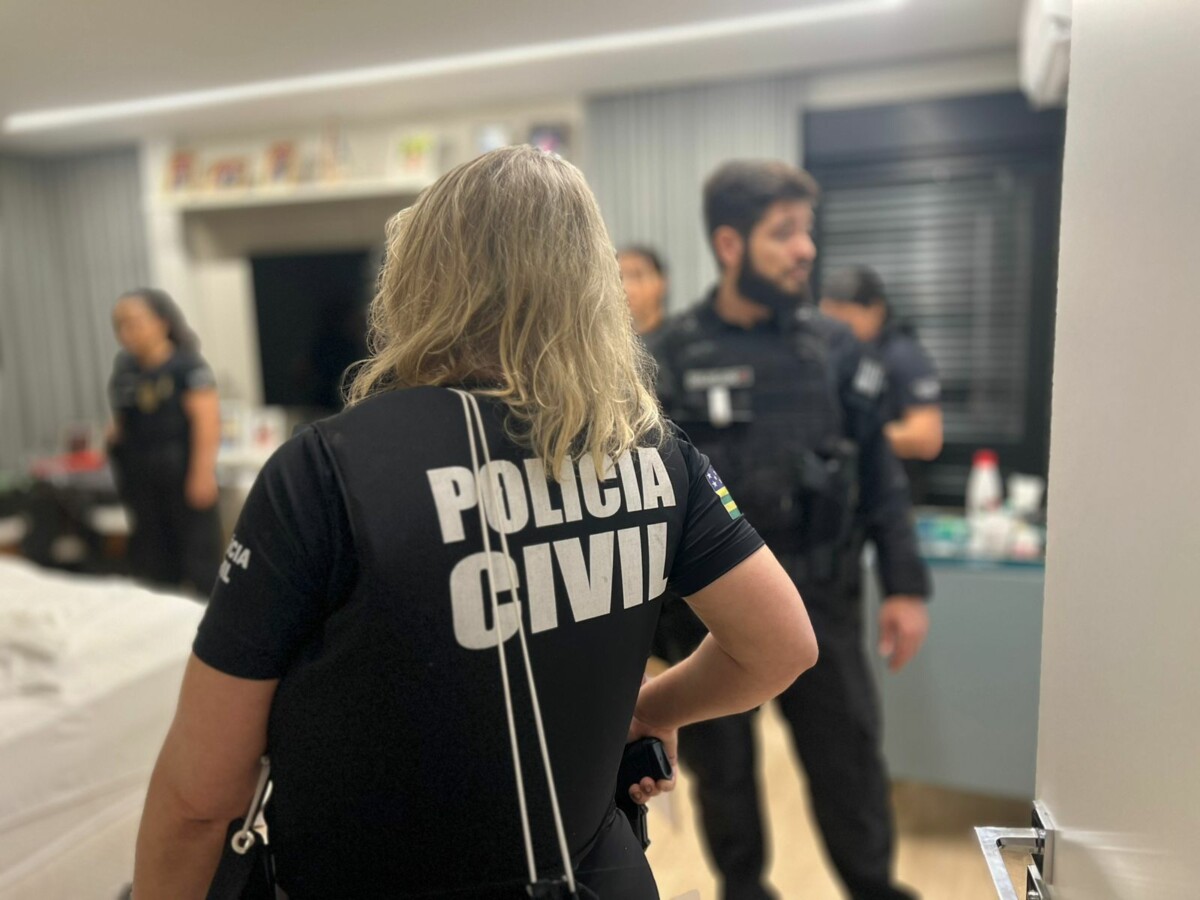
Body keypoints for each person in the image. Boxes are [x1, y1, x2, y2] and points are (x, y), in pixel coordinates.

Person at [132, 146, 819, 900]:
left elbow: (201, 801)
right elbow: (780, 646)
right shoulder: (654, 453)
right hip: (599, 877)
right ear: (591, 284)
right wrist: (654, 706)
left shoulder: (326, 470)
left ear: (418, 279)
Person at [650, 160, 931, 900]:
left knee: (849, 761)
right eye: (784, 233)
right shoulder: (668, 357)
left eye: (806, 230)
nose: (806, 249)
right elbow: (645, 498)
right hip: (706, 612)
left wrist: (904, 586)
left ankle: (871, 887)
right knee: (724, 775)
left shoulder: (837, 349)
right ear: (730, 244)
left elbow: (881, 477)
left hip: (822, 596)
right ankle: (743, 888)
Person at [107, 289, 222, 594]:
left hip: (182, 472)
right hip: (142, 478)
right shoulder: (125, 369)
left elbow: (207, 423)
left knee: (199, 561)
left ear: (161, 322)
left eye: (134, 322)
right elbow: (122, 421)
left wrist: (202, 474)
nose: (126, 331)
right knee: (153, 563)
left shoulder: (187, 367)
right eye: (119, 324)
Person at [820, 266, 943, 461]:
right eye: (828, 319)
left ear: (876, 311)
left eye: (845, 318)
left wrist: (860, 435)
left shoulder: (901, 355)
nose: (835, 329)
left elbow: (926, 439)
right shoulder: (823, 354)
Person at [618, 245, 668, 339]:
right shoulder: (607, 342)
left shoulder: (681, 340)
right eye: (619, 278)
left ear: (661, 283)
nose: (626, 288)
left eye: (636, 276)